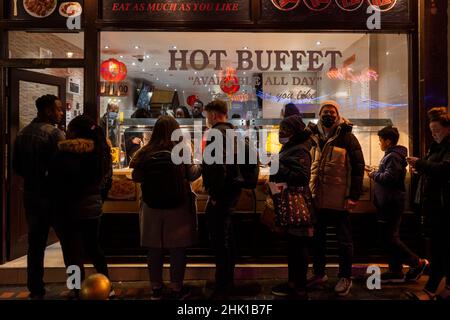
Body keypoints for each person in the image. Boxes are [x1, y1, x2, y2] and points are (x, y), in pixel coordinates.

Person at [130, 116, 201, 300]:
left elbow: (136, 177)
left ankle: (156, 289)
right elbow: (191, 175)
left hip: (151, 206)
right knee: (177, 249)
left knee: (154, 249)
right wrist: (200, 166)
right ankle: (177, 288)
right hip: (178, 206)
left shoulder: (145, 151)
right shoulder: (181, 149)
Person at [47, 115, 113, 296]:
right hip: (92, 210)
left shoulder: (63, 154)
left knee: (71, 253)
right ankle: (107, 286)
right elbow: (106, 183)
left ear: (74, 132)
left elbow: (53, 183)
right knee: (94, 248)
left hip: (66, 211)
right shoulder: (101, 152)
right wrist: (99, 199)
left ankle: (76, 289)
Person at [307, 100, 365, 296]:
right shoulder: (313, 136)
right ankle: (319, 273)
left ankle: (345, 276)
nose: (328, 115)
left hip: (340, 200)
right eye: (325, 111)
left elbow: (358, 169)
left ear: (338, 115)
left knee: (344, 241)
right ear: (320, 114)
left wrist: (353, 196)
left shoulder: (347, 138)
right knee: (317, 239)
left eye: (332, 112)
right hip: (317, 199)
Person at [12, 94, 65, 299]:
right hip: (55, 196)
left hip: (31, 194)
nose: (61, 113)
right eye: (58, 109)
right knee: (70, 244)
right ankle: (76, 284)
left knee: (35, 245)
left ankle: (36, 288)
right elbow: (64, 167)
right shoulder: (54, 134)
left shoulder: (23, 133)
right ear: (48, 111)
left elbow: (16, 167)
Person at [367, 126, 429, 283]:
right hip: (389, 202)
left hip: (391, 203)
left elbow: (389, 178)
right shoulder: (392, 155)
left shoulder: (393, 156)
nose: (379, 143)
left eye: (380, 140)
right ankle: (395, 270)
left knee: (390, 238)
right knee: (389, 237)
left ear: (388, 141)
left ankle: (417, 262)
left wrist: (374, 174)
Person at [406, 107, 450, 300]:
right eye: (432, 131)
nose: (434, 134)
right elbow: (433, 169)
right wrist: (421, 168)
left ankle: (430, 290)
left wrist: (420, 164)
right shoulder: (435, 146)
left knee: (441, 251)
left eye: (437, 130)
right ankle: (442, 288)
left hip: (445, 209)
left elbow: (445, 170)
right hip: (433, 207)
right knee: (440, 249)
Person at [269, 115, 314, 300]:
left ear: (294, 131)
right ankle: (293, 283)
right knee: (293, 247)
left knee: (298, 246)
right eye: (280, 129)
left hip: (296, 203)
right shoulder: (291, 147)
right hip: (287, 202)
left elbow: (302, 177)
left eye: (285, 130)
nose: (281, 133)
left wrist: (277, 166)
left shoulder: (301, 150)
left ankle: (300, 288)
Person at [202, 100, 241, 299]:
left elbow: (216, 167)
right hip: (232, 194)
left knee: (220, 241)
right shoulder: (235, 133)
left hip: (222, 196)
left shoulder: (216, 134)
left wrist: (215, 195)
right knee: (227, 238)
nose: (206, 119)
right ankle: (228, 281)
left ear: (215, 115)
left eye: (207, 115)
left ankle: (223, 286)